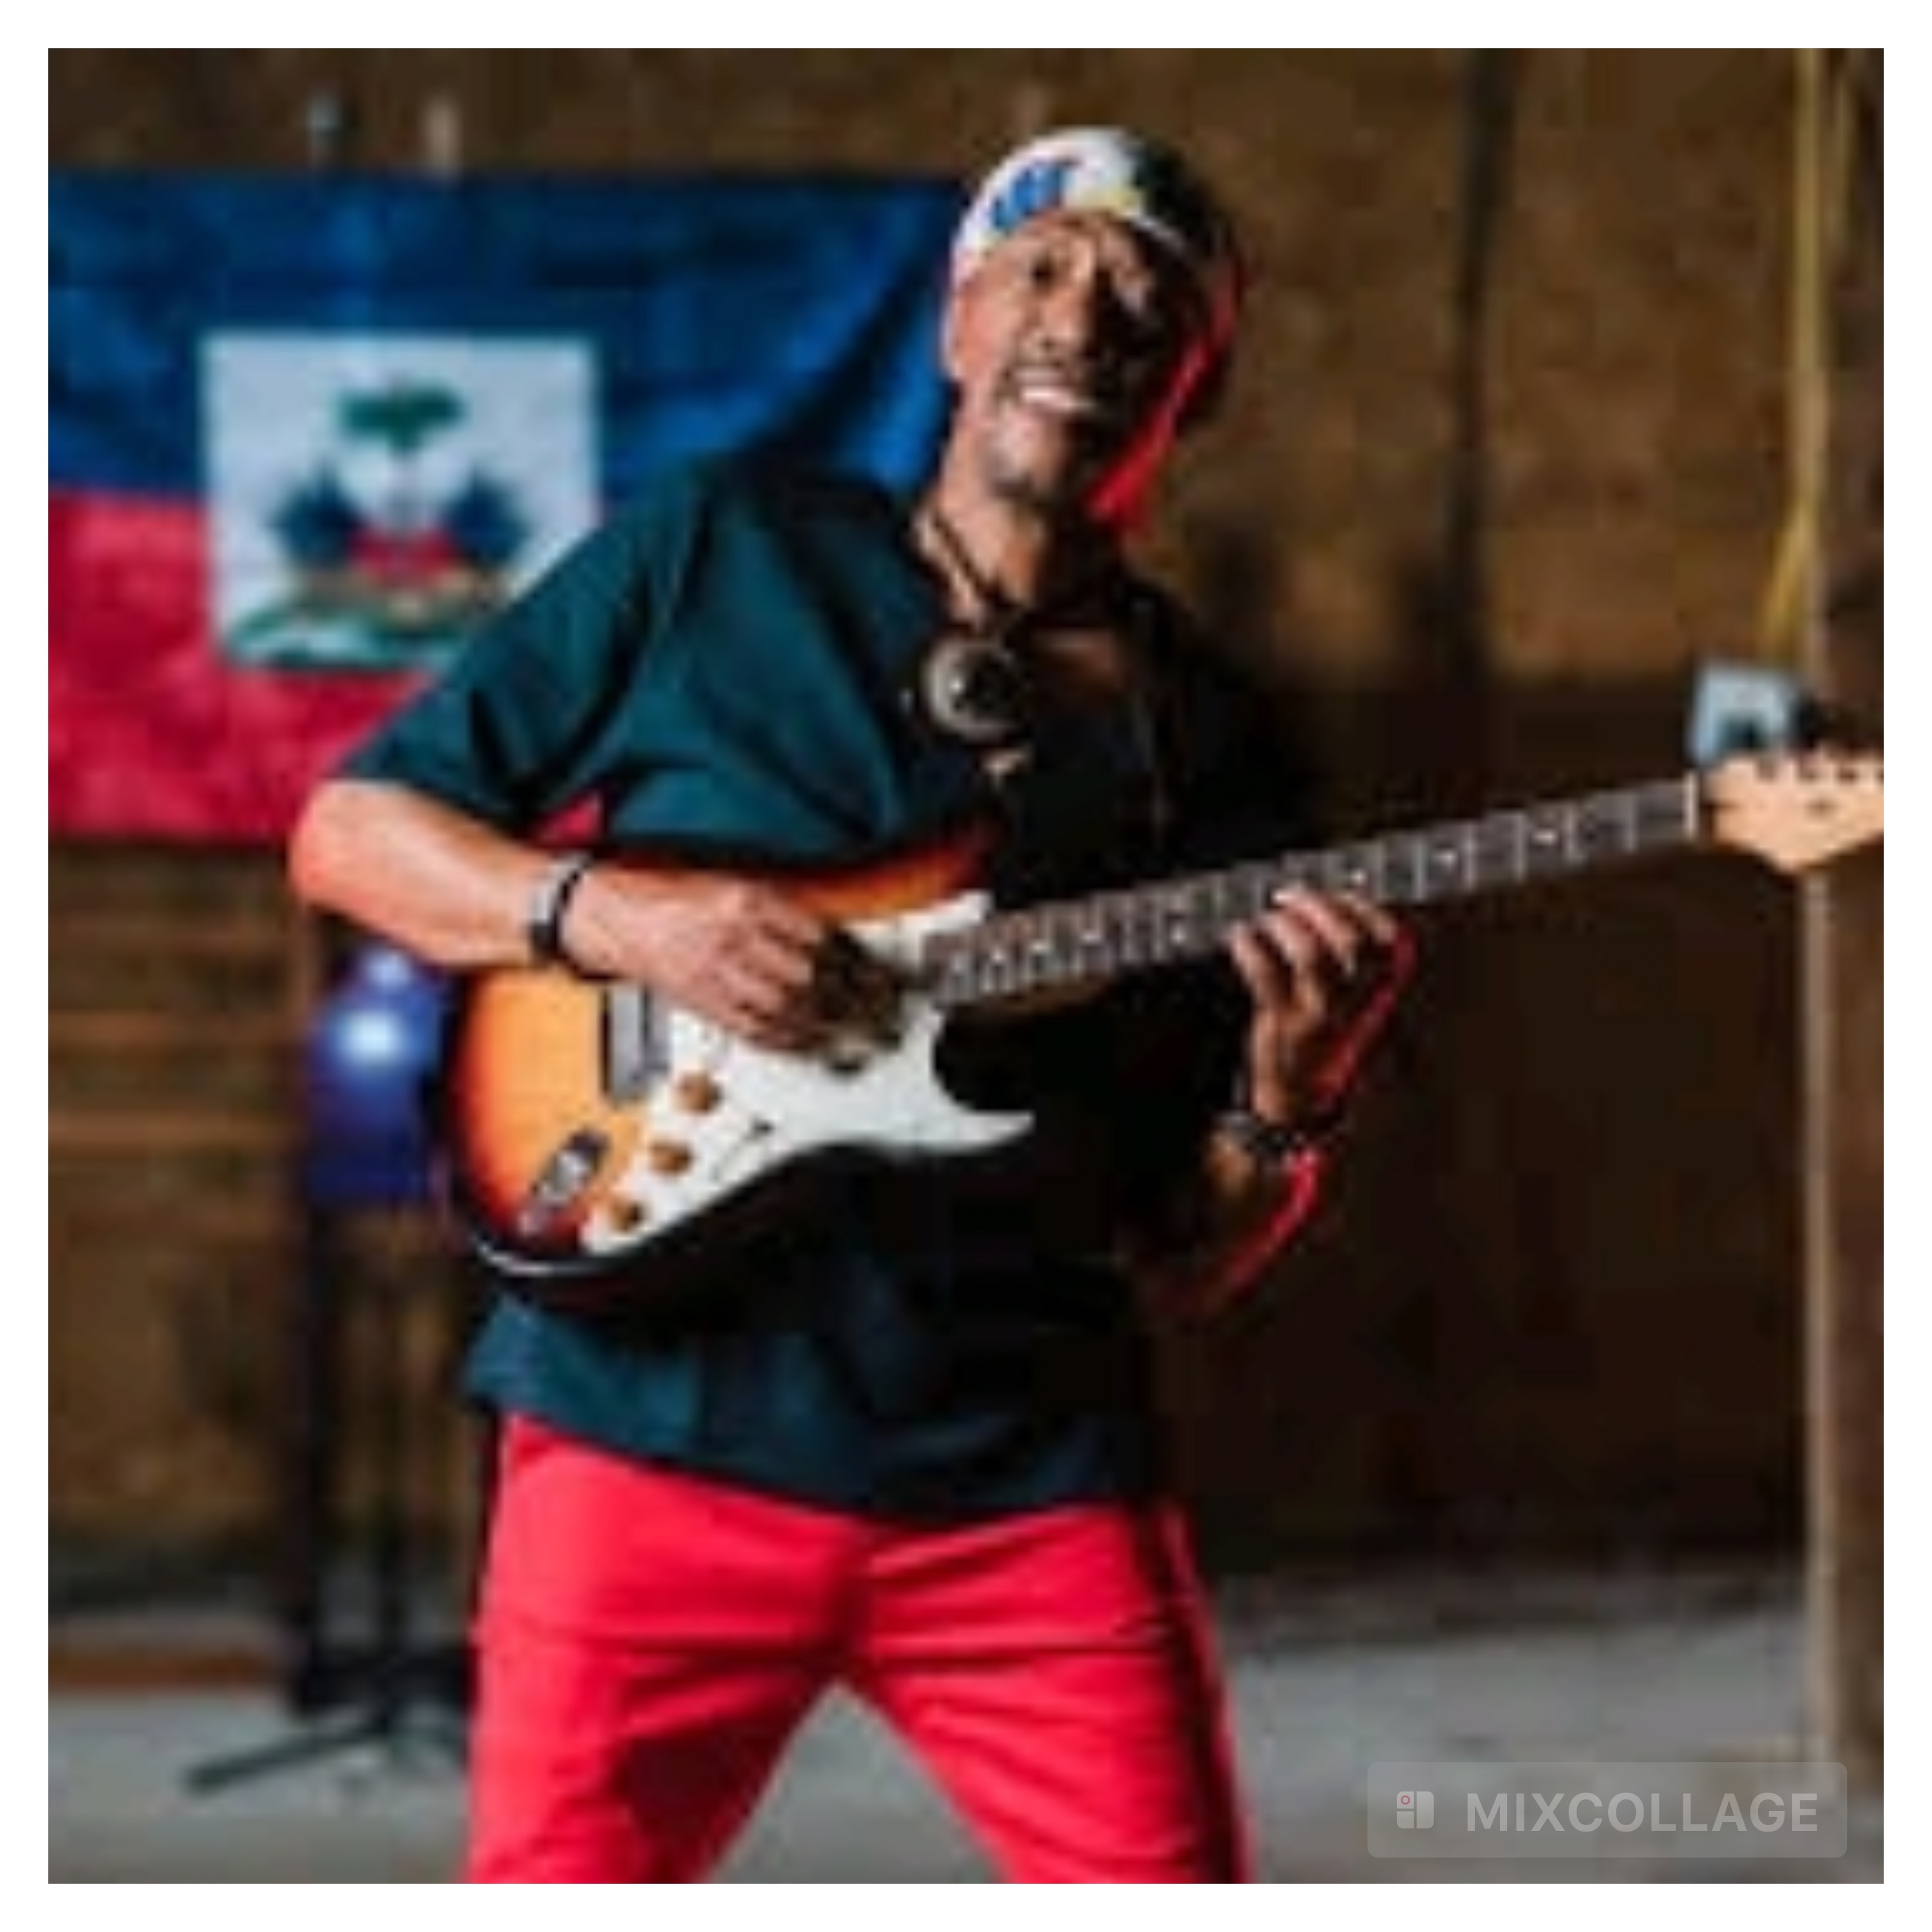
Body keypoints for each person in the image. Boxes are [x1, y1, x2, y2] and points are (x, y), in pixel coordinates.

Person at [287, 124, 1413, 1884]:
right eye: (1042, 271)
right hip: (647, 1432)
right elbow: (351, 836)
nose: (1085, 317)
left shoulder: (1216, 746)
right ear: (959, 325)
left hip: (1025, 1473)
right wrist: (619, 917)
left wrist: (1291, 1097)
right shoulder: (720, 549)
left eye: (1147, 301)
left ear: (1198, 389)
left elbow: (1183, 1255)